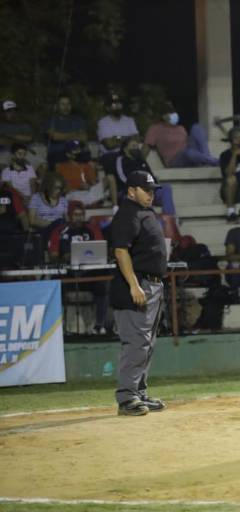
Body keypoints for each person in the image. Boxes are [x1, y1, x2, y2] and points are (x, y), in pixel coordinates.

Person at [109, 170, 168, 416]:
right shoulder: (127, 213)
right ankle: (127, 398)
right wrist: (134, 285)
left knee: (146, 344)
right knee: (136, 343)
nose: (151, 194)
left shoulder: (144, 212)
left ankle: (139, 392)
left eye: (153, 190)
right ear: (131, 190)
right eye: (147, 190)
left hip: (152, 285)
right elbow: (121, 251)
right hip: (138, 286)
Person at [48, 202, 108, 334]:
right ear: (69, 216)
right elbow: (53, 255)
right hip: (68, 273)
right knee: (55, 283)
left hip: (88, 273)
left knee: (102, 284)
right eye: (75, 215)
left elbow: (101, 250)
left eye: (81, 215)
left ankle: (99, 325)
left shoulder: (92, 229)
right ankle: (60, 328)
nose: (79, 218)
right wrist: (65, 257)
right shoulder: (59, 231)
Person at [104, 137, 176, 215]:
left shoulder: (141, 160)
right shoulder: (120, 160)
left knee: (166, 188)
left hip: (149, 191)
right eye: (133, 146)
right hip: (130, 192)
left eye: (137, 146)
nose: (136, 148)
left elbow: (150, 175)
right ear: (125, 149)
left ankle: (170, 217)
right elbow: (122, 178)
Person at [144, 102, 218, 168]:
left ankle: (206, 158)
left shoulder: (180, 128)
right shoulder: (155, 129)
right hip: (174, 160)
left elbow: (188, 142)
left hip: (189, 154)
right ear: (164, 116)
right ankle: (215, 161)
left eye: (174, 112)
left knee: (196, 127)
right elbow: (146, 147)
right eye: (171, 113)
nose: (174, 114)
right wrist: (139, 163)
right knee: (188, 153)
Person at [44, 95, 88, 168]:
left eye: (68, 104)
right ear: (57, 106)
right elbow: (54, 137)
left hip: (77, 153)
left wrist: (63, 136)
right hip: (58, 154)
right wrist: (75, 134)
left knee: (89, 162)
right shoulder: (51, 121)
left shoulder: (78, 120)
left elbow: (84, 137)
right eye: (63, 104)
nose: (66, 107)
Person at [56, 140, 104, 207]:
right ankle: (91, 203)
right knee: (74, 196)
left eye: (80, 149)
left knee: (107, 181)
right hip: (72, 194)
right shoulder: (61, 167)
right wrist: (77, 188)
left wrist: (88, 187)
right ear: (68, 154)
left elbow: (93, 184)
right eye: (76, 150)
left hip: (87, 193)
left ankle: (92, 202)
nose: (79, 151)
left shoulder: (87, 165)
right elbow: (59, 188)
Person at [28, 173, 68, 238]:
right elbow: (32, 220)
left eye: (60, 188)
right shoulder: (36, 198)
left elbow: (66, 219)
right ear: (48, 186)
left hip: (60, 230)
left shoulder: (63, 200)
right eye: (55, 188)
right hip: (43, 229)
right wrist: (52, 223)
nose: (58, 191)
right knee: (60, 222)